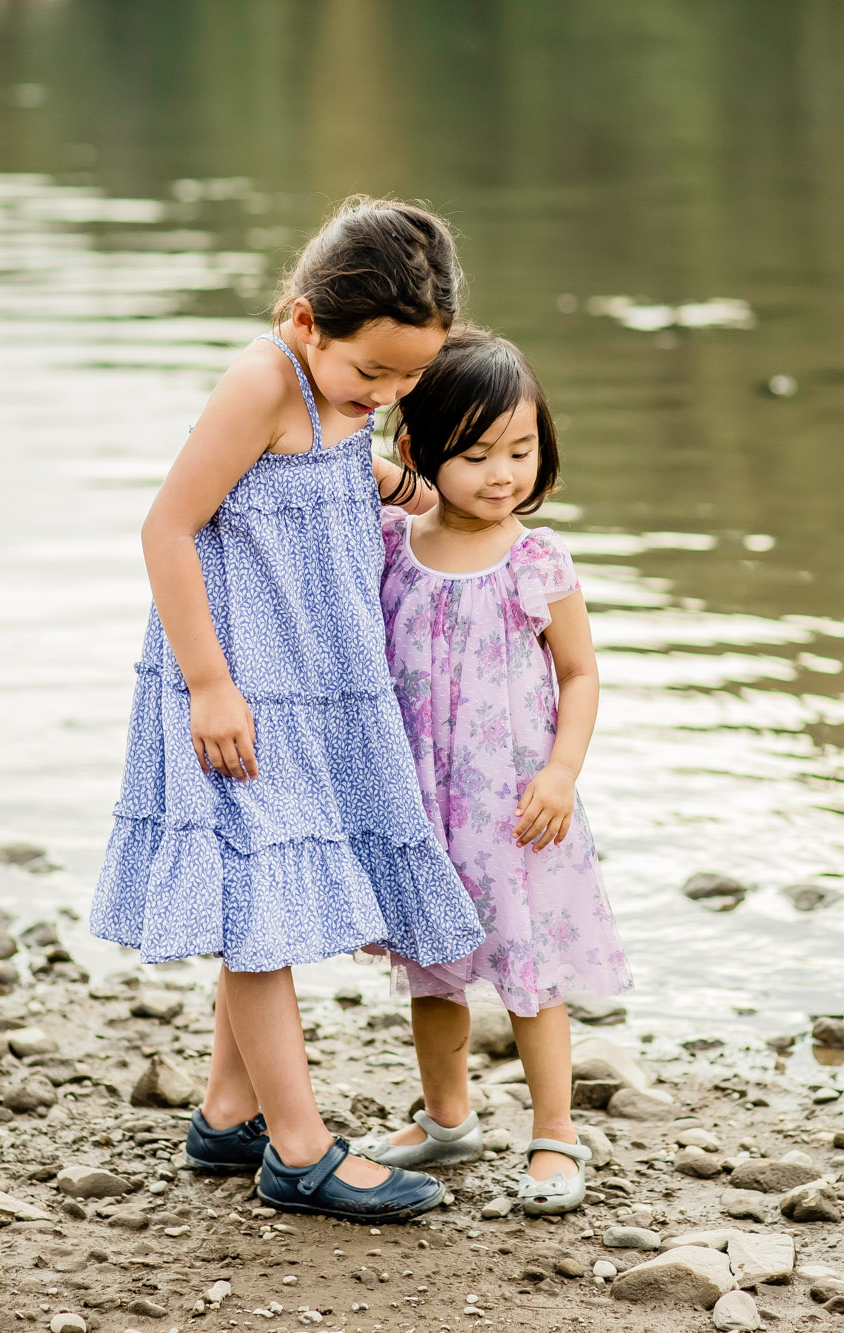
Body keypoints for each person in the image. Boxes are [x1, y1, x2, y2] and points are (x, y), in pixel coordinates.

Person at [90, 196, 485, 1224]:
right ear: (307, 322)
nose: (390, 392)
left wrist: (399, 480)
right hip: (237, 680)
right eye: (375, 374)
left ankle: (230, 1112)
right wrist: (211, 685)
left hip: (314, 673)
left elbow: (330, 473)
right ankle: (298, 1152)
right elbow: (168, 529)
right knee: (257, 904)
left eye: (411, 378)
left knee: (267, 879)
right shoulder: (263, 381)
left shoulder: (341, 402)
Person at [356, 328, 631, 1216]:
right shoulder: (396, 543)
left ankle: (556, 1129)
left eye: (521, 449)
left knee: (530, 968)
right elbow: (328, 461)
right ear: (418, 451)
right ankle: (446, 1117)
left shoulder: (536, 558)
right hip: (422, 800)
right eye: (475, 454)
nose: (503, 472)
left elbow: (581, 672)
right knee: (432, 969)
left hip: (515, 804)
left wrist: (561, 771)